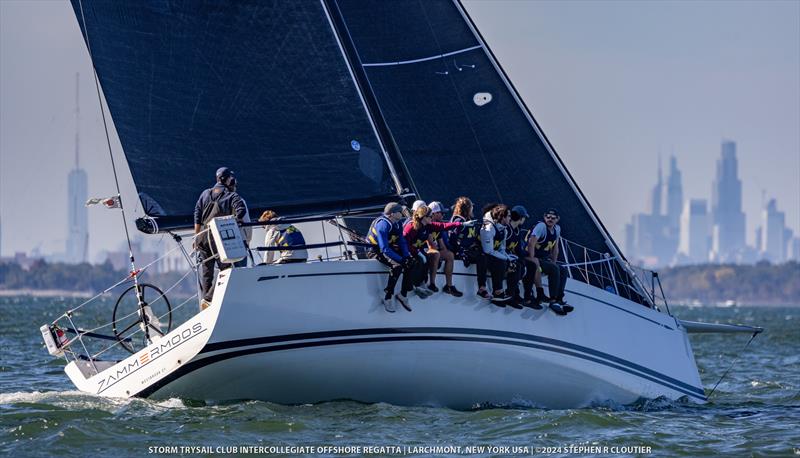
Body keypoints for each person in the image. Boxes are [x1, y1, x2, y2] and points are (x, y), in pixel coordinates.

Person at [193, 167, 247, 309]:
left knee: (207, 272)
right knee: (227, 270)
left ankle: (206, 303)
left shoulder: (205, 193)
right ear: (228, 179)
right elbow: (241, 211)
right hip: (217, 237)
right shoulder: (231, 195)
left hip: (202, 237)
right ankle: (209, 299)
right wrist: (233, 221)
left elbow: (197, 214)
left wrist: (196, 237)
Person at [403, 205, 464, 297]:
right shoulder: (411, 227)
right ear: (424, 217)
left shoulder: (428, 226)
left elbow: (443, 226)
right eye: (430, 216)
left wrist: (459, 224)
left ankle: (423, 283)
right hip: (409, 251)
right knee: (419, 260)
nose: (432, 218)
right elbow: (404, 243)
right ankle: (413, 285)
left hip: (417, 250)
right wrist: (416, 252)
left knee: (426, 258)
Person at [367, 202, 418, 312]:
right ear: (392, 214)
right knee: (398, 266)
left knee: (411, 262)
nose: (402, 213)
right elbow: (384, 248)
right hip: (375, 250)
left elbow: (402, 241)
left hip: (388, 248)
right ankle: (388, 296)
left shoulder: (398, 223)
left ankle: (403, 295)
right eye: (400, 212)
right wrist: (401, 260)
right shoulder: (383, 225)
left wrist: (406, 256)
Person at [529, 208, 573, 315]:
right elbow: (531, 244)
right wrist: (532, 259)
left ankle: (559, 298)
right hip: (533, 256)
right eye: (548, 217)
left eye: (553, 218)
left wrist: (554, 262)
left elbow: (555, 249)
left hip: (543, 258)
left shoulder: (557, 229)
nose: (550, 219)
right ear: (544, 217)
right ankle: (553, 301)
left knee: (562, 270)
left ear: (557, 219)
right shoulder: (541, 227)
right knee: (554, 269)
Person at [480, 204, 514, 306]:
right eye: (508, 216)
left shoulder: (504, 230)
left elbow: (502, 249)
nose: (510, 218)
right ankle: (497, 292)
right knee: (501, 262)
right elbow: (488, 250)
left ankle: (513, 294)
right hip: (483, 254)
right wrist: (506, 259)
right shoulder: (489, 228)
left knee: (517, 264)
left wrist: (509, 259)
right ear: (502, 217)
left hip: (493, 254)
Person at [504, 205, 529, 307]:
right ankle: (510, 295)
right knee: (517, 265)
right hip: (502, 256)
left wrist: (524, 257)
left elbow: (518, 249)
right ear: (521, 218)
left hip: (510, 256)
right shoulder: (507, 229)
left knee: (526, 265)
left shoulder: (517, 230)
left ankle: (520, 294)